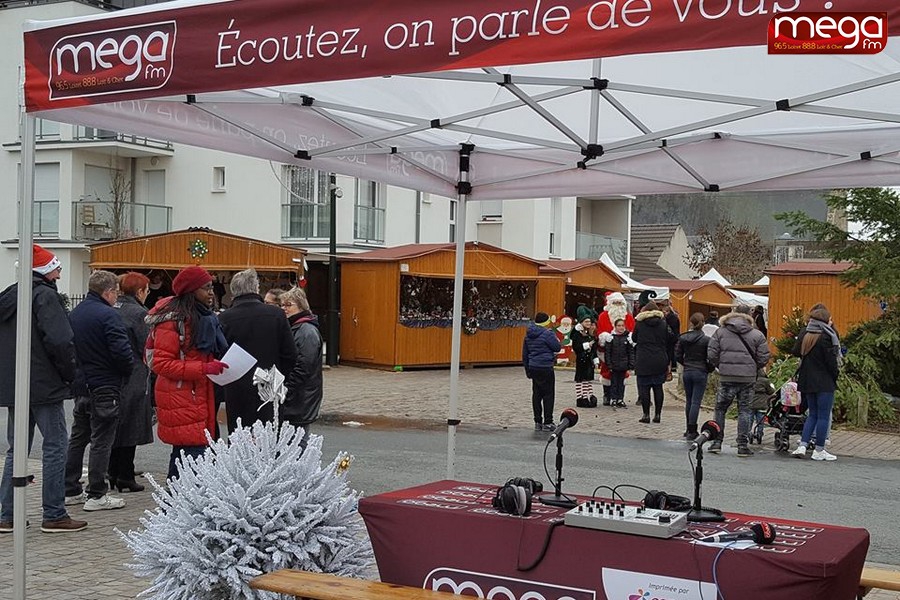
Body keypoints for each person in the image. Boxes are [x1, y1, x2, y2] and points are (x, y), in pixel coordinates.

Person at [0, 245, 87, 533]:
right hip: (45, 384)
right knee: (54, 446)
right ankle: (53, 512)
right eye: (56, 267)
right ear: (46, 270)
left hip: (16, 384)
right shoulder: (46, 297)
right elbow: (60, 341)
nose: (60, 272)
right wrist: (70, 375)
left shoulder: (10, 296)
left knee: (17, 449)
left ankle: (7, 514)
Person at [146, 266, 228, 479]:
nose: (211, 292)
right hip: (182, 395)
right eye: (206, 288)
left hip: (198, 393)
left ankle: (177, 505)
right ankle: (177, 506)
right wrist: (204, 368)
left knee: (190, 453)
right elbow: (161, 363)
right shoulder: (173, 320)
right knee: (192, 453)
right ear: (192, 290)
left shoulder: (203, 317)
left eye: (211, 287)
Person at [64, 270, 133, 512]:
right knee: (102, 440)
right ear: (109, 291)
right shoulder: (108, 316)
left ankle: (70, 488)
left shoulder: (76, 313)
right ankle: (97, 493)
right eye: (116, 292)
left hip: (82, 384)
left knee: (78, 438)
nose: (117, 297)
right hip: (105, 384)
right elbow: (122, 352)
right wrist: (126, 371)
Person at [218, 269, 297, 432]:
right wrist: (280, 377)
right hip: (269, 386)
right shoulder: (276, 314)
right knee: (270, 438)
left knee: (240, 439)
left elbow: (219, 355)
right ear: (256, 288)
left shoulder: (224, 318)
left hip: (236, 389)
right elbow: (290, 354)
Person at [108, 272, 154, 493]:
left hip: (112, 374)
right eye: (146, 290)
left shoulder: (112, 307)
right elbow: (147, 348)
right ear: (140, 292)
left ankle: (112, 471)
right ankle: (125, 474)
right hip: (134, 375)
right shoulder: (139, 314)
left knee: (114, 426)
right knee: (131, 426)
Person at [707, 305, 770, 457]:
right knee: (745, 410)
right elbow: (763, 357)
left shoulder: (720, 332)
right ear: (750, 315)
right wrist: (753, 368)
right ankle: (742, 445)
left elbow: (712, 353)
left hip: (726, 377)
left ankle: (717, 442)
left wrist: (721, 367)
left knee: (720, 409)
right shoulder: (757, 334)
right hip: (747, 378)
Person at [790, 306, 840, 461]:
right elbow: (832, 363)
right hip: (824, 381)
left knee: (812, 414)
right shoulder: (827, 336)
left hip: (807, 380)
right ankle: (819, 450)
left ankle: (802, 446)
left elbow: (796, 351)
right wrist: (835, 376)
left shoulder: (805, 332)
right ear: (826, 320)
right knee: (823, 416)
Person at [280, 287, 323, 448]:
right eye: (282, 305)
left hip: (300, 397)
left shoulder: (306, 331)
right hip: (297, 396)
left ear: (301, 306)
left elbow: (304, 367)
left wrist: (286, 389)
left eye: (288, 305)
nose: (284, 308)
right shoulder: (295, 327)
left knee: (297, 441)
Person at [632, 302, 672, 424]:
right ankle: (658, 415)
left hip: (643, 358)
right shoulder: (663, 324)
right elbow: (670, 338)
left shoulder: (640, 324)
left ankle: (646, 415)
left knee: (644, 387)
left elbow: (634, 338)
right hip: (659, 358)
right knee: (658, 387)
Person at [522, 312, 561, 432]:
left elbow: (525, 353)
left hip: (533, 366)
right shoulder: (547, 334)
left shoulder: (528, 334)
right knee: (548, 394)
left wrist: (527, 369)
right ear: (546, 322)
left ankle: (537, 421)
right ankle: (548, 422)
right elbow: (557, 347)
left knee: (536, 394)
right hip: (545, 366)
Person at [675, 312, 711, 440]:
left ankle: (688, 429)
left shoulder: (683, 338)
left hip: (688, 371)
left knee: (689, 401)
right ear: (703, 324)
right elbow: (711, 358)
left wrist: (686, 364)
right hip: (700, 371)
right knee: (696, 402)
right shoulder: (706, 340)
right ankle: (692, 430)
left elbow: (678, 355)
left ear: (691, 323)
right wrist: (708, 369)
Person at [596, 292, 635, 405]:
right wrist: (604, 337)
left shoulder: (628, 316)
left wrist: (630, 338)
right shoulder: (603, 316)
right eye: (615, 302)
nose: (618, 305)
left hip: (623, 351)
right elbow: (600, 330)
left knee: (622, 375)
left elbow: (632, 330)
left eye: (620, 303)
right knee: (607, 371)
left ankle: (619, 397)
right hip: (608, 350)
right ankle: (607, 395)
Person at [571, 305, 598, 408]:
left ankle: (588, 395)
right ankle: (580, 397)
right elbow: (576, 347)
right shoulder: (577, 334)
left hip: (589, 360)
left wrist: (595, 360)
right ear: (581, 322)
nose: (588, 324)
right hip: (581, 359)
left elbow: (594, 349)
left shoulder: (589, 334)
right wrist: (587, 345)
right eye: (586, 322)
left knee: (588, 379)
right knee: (580, 379)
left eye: (589, 322)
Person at [604, 318, 634, 408]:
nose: (621, 327)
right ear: (615, 327)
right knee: (614, 383)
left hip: (624, 365)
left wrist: (631, 364)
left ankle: (620, 399)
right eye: (619, 326)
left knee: (622, 383)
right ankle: (613, 399)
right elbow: (607, 352)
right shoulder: (611, 338)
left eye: (622, 325)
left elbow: (631, 352)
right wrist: (609, 364)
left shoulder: (628, 338)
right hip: (614, 365)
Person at [750, 366, 775, 444]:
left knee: (749, 419)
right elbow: (771, 391)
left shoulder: (751, 380)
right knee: (760, 420)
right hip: (762, 404)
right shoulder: (766, 381)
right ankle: (759, 433)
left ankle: (748, 433)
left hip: (751, 403)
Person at [662, 303, 681, 373]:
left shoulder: (670, 318)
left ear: (668, 311)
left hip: (671, 338)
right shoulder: (675, 317)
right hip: (675, 337)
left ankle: (671, 366)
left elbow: (670, 329)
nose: (663, 314)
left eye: (664, 312)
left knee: (670, 352)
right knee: (673, 351)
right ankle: (673, 366)